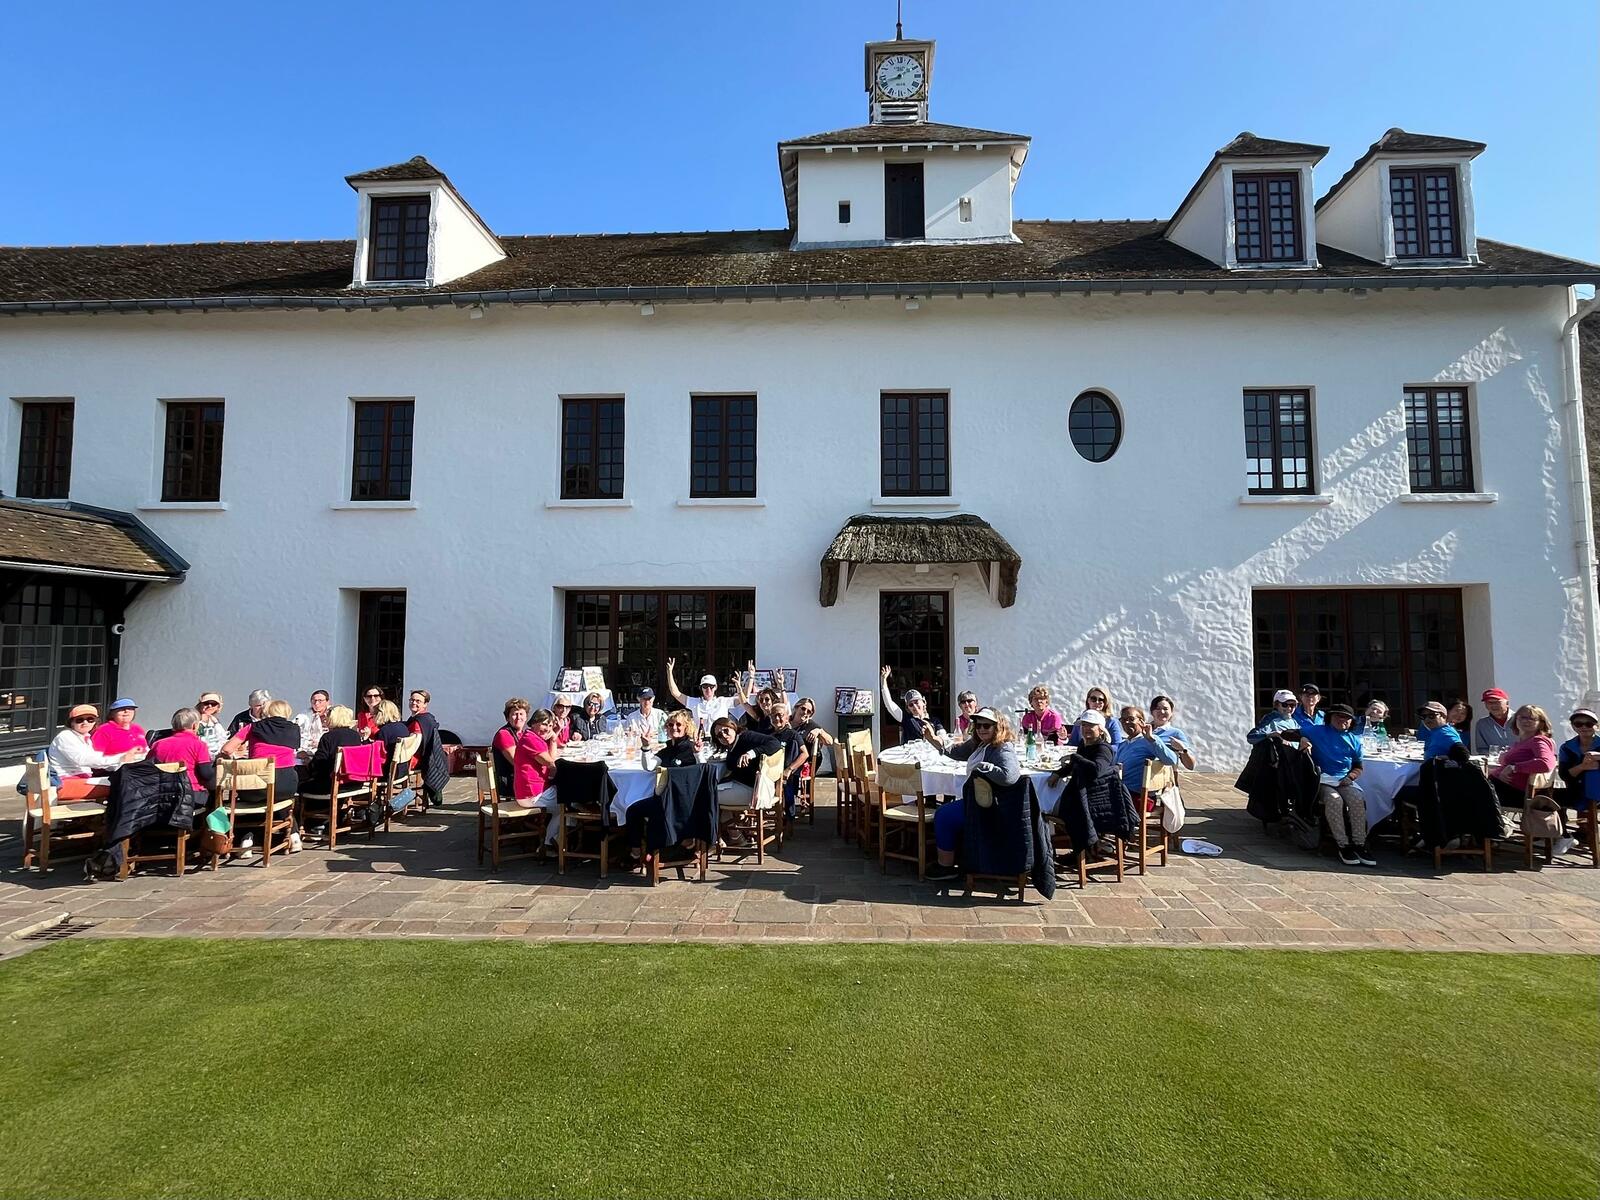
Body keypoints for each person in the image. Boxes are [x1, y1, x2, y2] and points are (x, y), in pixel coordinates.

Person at [926, 708, 1020, 882]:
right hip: (977, 800)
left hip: (990, 807)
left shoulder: (1003, 748)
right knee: (946, 812)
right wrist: (935, 742)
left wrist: (985, 768)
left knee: (943, 815)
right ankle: (958, 854)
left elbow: (1010, 776)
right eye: (978, 725)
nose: (981, 729)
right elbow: (956, 752)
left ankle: (946, 866)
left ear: (997, 727)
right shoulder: (979, 743)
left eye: (987, 725)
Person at [1291, 702, 1373, 867]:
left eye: (1346, 718)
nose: (1342, 720)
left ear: (1351, 721)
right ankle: (1342, 844)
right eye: (1338, 716)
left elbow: (1358, 766)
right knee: (1334, 800)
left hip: (1344, 780)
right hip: (1323, 779)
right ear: (1330, 718)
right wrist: (1303, 738)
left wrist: (1351, 777)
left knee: (1357, 799)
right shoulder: (1317, 730)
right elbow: (1287, 733)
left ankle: (1359, 843)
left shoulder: (1354, 740)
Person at [47, 704, 143, 799]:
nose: (85, 723)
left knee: (128, 782)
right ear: (71, 723)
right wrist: (120, 758)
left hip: (82, 780)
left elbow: (99, 761)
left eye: (90, 719)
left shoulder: (85, 738)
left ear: (94, 722)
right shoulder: (65, 736)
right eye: (79, 720)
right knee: (125, 786)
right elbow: (83, 759)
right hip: (65, 783)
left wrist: (129, 763)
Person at [221, 698, 303, 803]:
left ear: (266, 711)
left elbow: (226, 749)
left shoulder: (253, 727)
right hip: (285, 787)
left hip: (256, 788)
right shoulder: (294, 729)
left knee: (241, 785)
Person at [709, 716, 783, 826]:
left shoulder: (746, 737)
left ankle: (732, 834)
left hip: (755, 791)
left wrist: (751, 753)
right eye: (719, 735)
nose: (724, 735)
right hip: (742, 786)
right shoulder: (732, 747)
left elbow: (775, 743)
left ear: (733, 727)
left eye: (726, 730)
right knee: (710, 790)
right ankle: (735, 832)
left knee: (708, 796)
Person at [492, 706, 560, 816]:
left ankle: (563, 828)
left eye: (550, 726)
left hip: (527, 790)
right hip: (530, 793)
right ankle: (556, 833)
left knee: (565, 795)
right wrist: (553, 740)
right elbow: (551, 763)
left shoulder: (531, 736)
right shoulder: (531, 739)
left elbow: (551, 762)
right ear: (533, 723)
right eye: (544, 724)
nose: (547, 729)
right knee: (565, 802)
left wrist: (552, 739)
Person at [1489, 704, 1556, 811]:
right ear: (1515, 720)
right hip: (1501, 788)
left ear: (1541, 724)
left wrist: (1514, 767)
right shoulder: (1522, 742)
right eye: (1522, 717)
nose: (1526, 721)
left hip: (1514, 794)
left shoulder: (1538, 741)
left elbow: (1546, 764)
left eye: (1532, 718)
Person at [1554, 708, 1600, 857]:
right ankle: (1563, 836)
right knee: (1548, 798)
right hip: (1577, 790)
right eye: (1579, 724)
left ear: (1596, 725)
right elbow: (1565, 775)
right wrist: (1583, 766)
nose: (1584, 727)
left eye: (1589, 723)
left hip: (1597, 792)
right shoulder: (1567, 747)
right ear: (1573, 726)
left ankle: (1578, 833)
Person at [1113, 705, 1179, 806]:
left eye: (1131, 719)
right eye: (1123, 720)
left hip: (1140, 798)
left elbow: (1171, 760)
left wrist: (1152, 739)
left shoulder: (1149, 740)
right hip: (1123, 793)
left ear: (1141, 721)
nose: (1126, 722)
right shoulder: (1123, 744)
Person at [299, 704, 364, 799]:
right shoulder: (355, 735)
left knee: (299, 784)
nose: (325, 718)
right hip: (354, 782)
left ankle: (306, 811)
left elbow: (319, 765)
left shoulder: (328, 737)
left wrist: (308, 761)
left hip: (333, 784)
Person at [880, 664, 949, 748]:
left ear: (923, 702)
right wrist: (883, 681)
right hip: (912, 757)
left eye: (916, 702)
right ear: (908, 708)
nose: (915, 706)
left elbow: (943, 737)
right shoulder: (906, 719)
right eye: (911, 704)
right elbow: (889, 704)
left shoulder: (934, 720)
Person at [151, 707, 215, 792]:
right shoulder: (199, 745)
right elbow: (206, 774)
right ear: (195, 725)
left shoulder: (157, 744)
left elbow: (148, 767)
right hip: (191, 793)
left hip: (163, 792)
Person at [407, 689, 451, 809]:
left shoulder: (420, 721)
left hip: (418, 759)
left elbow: (413, 746)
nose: (414, 703)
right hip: (426, 757)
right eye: (412, 700)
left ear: (425, 704)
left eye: (418, 701)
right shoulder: (427, 718)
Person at [666, 658, 732, 734]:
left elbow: (743, 699)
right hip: (700, 740)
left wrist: (748, 680)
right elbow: (675, 693)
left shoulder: (723, 701)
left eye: (711, 686)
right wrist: (669, 672)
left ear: (716, 687)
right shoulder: (695, 702)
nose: (708, 689)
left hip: (720, 738)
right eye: (705, 686)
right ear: (701, 688)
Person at [768, 700, 810, 821]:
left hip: (789, 773)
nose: (777, 718)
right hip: (772, 773)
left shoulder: (793, 735)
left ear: (787, 717)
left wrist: (790, 769)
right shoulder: (769, 736)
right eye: (773, 715)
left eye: (780, 715)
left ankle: (790, 820)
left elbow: (805, 754)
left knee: (788, 785)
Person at [1148, 695, 1197, 770]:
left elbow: (1190, 766)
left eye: (1165, 709)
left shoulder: (1176, 733)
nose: (1162, 712)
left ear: (1171, 712)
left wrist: (1182, 749)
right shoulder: (1143, 730)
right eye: (1157, 708)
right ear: (1152, 712)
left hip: (1161, 778)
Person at [1473, 688, 1514, 754]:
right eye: (1489, 702)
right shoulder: (1482, 724)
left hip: (1522, 761)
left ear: (1507, 703)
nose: (1493, 705)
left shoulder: (1520, 719)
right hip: (1496, 762)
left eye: (1497, 702)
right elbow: (1481, 749)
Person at [295, 690, 332, 757]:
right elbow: (295, 727)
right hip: (307, 748)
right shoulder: (304, 714)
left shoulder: (333, 714)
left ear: (327, 702)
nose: (316, 703)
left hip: (326, 749)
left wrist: (320, 744)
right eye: (314, 701)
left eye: (320, 701)